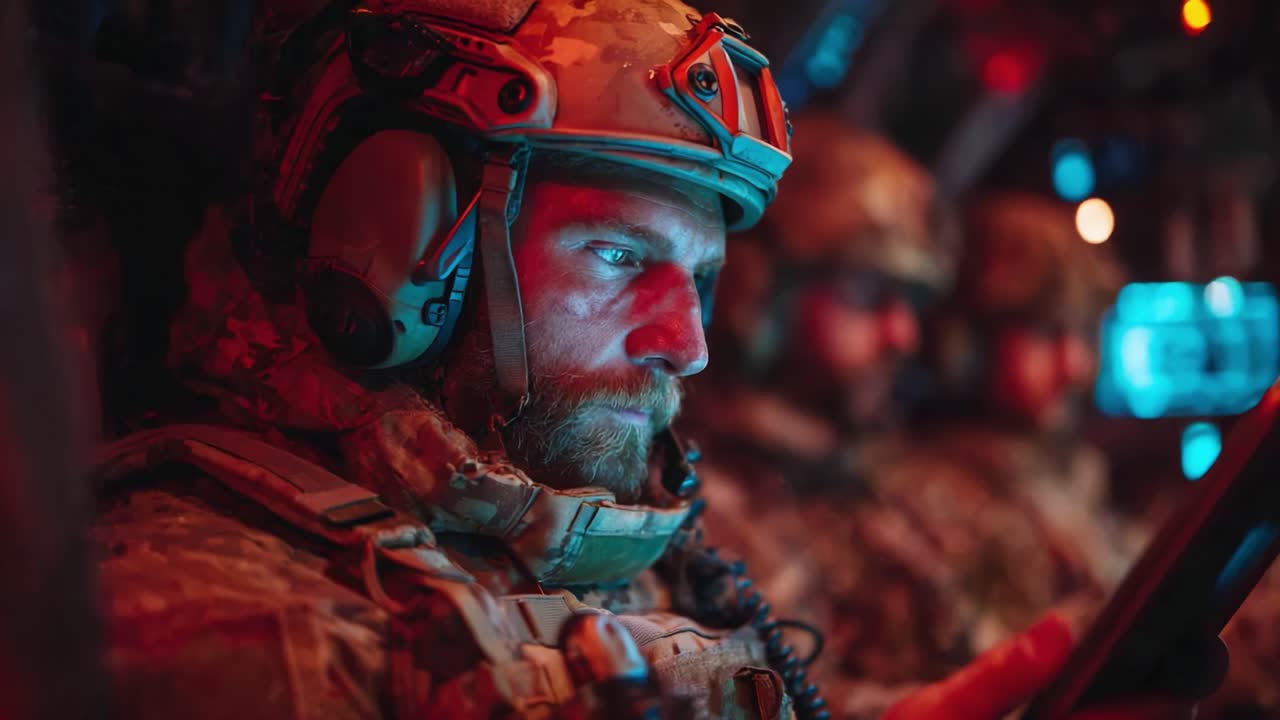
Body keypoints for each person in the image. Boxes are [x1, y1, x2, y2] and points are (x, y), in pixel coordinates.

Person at [89, 2, 1200, 718]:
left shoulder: (554, 530)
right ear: (396, 242)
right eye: (619, 256)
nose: (689, 341)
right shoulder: (200, 625)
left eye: (702, 279)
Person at [679, 108, 958, 715]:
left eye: (910, 301)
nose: (902, 332)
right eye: (868, 293)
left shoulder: (871, 479)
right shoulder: (688, 494)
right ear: (764, 288)